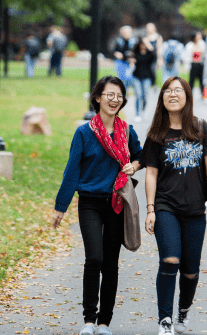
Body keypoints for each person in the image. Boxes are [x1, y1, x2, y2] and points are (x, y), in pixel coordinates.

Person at [52, 75, 143, 335]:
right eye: (110, 95)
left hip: (117, 202)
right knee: (94, 258)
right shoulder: (84, 133)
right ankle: (89, 321)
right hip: (90, 203)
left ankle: (104, 323)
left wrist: (134, 165)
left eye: (119, 96)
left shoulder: (127, 131)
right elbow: (72, 170)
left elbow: (141, 155)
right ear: (97, 97)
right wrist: (61, 205)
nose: (115, 100)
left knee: (110, 262)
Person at [140, 76, 207, 335]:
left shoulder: (200, 127)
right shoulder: (156, 134)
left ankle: (183, 310)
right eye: (167, 91)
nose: (173, 94)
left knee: (190, 271)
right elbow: (150, 173)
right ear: (162, 97)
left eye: (178, 90)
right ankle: (165, 320)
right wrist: (151, 209)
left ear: (187, 96)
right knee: (170, 260)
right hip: (166, 206)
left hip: (195, 209)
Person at [132, 39, 156, 122]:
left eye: (144, 44)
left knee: (145, 95)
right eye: (142, 44)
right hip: (137, 76)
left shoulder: (150, 54)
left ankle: (143, 110)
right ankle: (137, 114)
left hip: (147, 77)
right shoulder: (136, 52)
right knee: (138, 95)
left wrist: (149, 45)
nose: (143, 46)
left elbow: (155, 56)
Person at [114, 26, 138, 90]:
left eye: (127, 32)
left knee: (129, 78)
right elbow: (114, 51)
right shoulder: (119, 40)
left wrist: (133, 58)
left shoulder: (134, 41)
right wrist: (117, 54)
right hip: (121, 62)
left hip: (130, 62)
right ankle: (123, 93)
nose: (126, 34)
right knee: (121, 79)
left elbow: (138, 52)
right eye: (124, 32)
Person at [184, 31, 206, 99]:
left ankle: (205, 95)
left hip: (200, 64)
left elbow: (204, 53)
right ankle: (189, 95)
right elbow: (187, 56)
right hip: (193, 64)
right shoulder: (190, 45)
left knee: (203, 81)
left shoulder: (202, 44)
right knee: (191, 81)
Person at [146, 23, 164, 88]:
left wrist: (159, 58)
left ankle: (154, 84)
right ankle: (149, 84)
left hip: (154, 57)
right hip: (147, 57)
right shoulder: (145, 37)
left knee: (154, 70)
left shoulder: (158, 36)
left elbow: (159, 48)